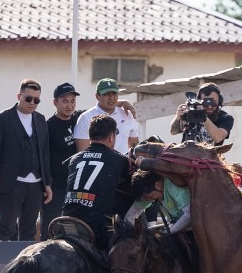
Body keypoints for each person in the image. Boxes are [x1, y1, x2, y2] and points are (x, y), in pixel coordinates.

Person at [0, 79, 53, 241]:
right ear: (19, 96)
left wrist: (47, 183)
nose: (32, 103)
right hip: (11, 183)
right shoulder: (3, 118)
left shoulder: (40, 119)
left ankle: (24, 266)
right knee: (5, 228)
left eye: (36, 100)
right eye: (28, 99)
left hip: (36, 185)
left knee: (29, 231)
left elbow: (44, 153)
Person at [62, 114, 132, 249]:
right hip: (95, 228)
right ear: (111, 137)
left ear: (90, 136)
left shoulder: (74, 159)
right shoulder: (120, 161)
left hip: (64, 223)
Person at [41, 82, 82, 240]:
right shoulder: (48, 126)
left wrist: (124, 102)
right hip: (55, 188)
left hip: (76, 186)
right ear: (55, 102)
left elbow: (102, 109)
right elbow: (43, 157)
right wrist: (47, 183)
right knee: (51, 227)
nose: (69, 105)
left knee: (74, 228)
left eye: (72, 101)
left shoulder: (80, 119)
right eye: (65, 101)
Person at [74, 78, 139, 155]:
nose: (111, 97)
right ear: (97, 96)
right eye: (107, 94)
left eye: (114, 93)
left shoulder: (127, 114)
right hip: (98, 164)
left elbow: (134, 146)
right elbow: (83, 152)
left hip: (123, 164)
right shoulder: (86, 117)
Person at [126, 170, 192, 233]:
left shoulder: (173, 187)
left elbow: (190, 214)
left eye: (148, 197)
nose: (149, 200)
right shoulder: (151, 192)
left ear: (158, 185)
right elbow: (132, 214)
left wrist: (169, 231)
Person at [169, 82, 234, 146]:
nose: (210, 106)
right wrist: (178, 117)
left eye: (213, 102)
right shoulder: (191, 112)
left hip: (210, 156)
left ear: (219, 101)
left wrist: (203, 116)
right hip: (187, 154)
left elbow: (218, 138)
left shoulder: (226, 118)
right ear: (199, 100)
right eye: (206, 102)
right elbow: (173, 131)